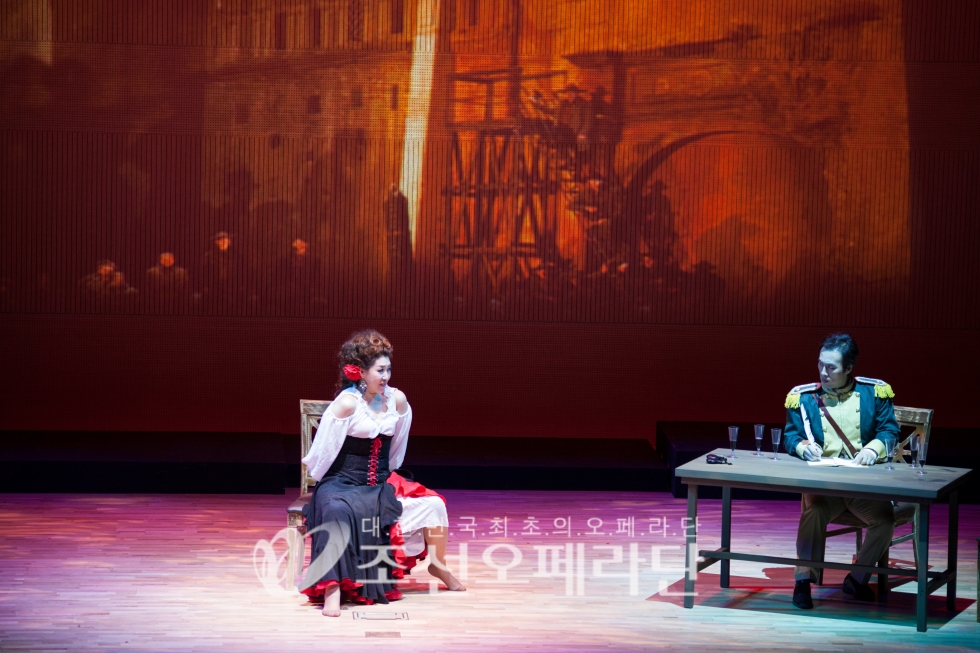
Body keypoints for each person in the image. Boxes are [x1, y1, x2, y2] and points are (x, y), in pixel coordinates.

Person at [299, 330, 465, 616]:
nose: (386, 376)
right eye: (380, 370)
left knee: (433, 504)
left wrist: (386, 477)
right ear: (361, 372)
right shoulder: (347, 403)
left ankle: (439, 565)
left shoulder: (397, 400)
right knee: (337, 512)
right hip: (341, 482)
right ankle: (332, 589)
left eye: (388, 369)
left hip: (378, 482)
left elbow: (396, 449)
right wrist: (325, 488)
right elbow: (322, 453)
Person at [783, 333, 900, 609]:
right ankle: (803, 581)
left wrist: (873, 449)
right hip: (826, 486)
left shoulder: (874, 392)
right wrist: (802, 447)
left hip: (862, 486)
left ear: (848, 368)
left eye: (831, 367)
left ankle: (857, 579)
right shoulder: (804, 397)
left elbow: (889, 430)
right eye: (820, 364)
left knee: (884, 521)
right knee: (813, 512)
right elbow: (791, 435)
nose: (823, 372)